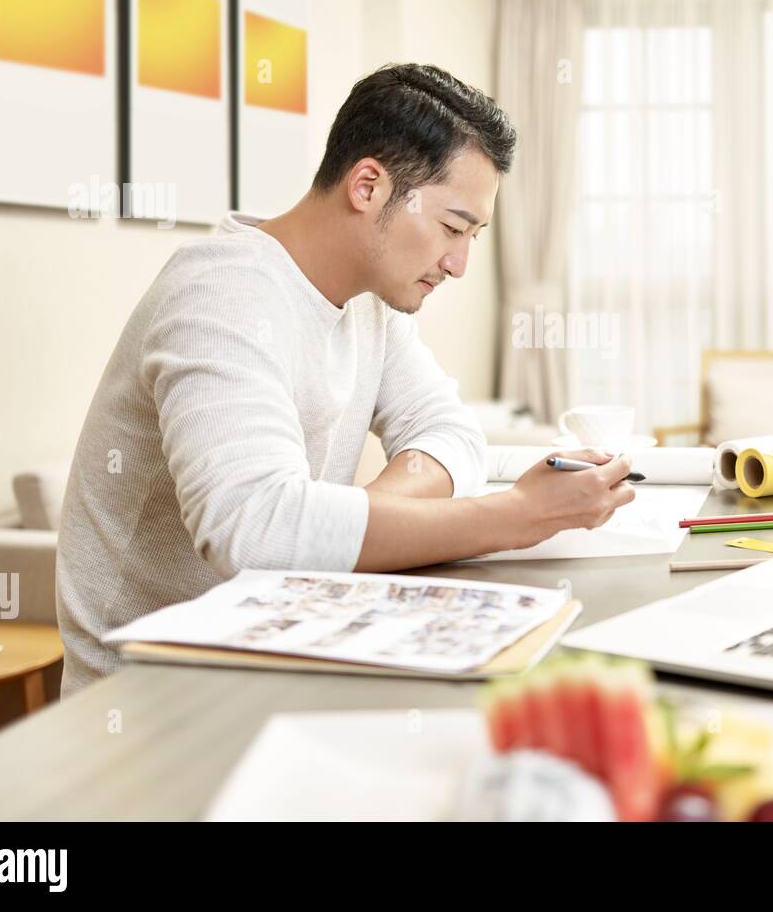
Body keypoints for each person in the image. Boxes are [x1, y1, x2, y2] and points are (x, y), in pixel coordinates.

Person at [55, 64, 635, 695]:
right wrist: (516, 514)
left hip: (281, 649)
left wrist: (353, 523)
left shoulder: (370, 304)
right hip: (153, 696)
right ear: (368, 186)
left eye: (473, 236)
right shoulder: (220, 296)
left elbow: (450, 434)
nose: (459, 263)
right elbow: (255, 530)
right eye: (451, 227)